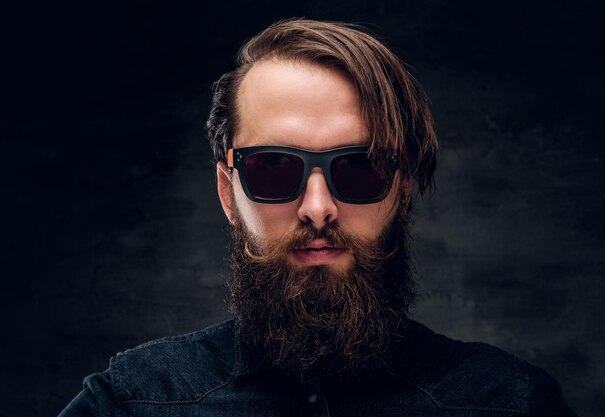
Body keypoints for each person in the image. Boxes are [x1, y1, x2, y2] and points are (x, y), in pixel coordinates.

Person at [59, 19, 577, 416]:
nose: (317, 207)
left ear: (400, 187)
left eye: (358, 168)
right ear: (227, 192)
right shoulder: (133, 402)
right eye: (273, 168)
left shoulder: (510, 402)